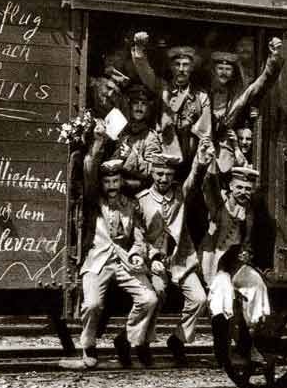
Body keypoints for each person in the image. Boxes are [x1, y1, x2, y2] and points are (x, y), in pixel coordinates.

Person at [78, 121, 158, 369]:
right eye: (107, 182)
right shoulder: (94, 201)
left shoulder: (130, 204)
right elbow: (89, 170)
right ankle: (88, 345)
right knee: (92, 304)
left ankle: (130, 339)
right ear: (102, 184)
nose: (111, 186)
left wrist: (137, 254)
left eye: (115, 181)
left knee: (149, 299)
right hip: (98, 260)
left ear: (120, 181)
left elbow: (139, 236)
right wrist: (99, 142)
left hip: (124, 260)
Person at [136, 139, 214, 366]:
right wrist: (151, 258)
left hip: (181, 260)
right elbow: (139, 235)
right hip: (155, 262)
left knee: (199, 299)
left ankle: (178, 340)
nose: (163, 179)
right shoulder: (141, 201)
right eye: (159, 174)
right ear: (152, 172)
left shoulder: (181, 194)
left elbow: (194, 179)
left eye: (168, 175)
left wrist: (200, 159)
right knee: (157, 293)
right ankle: (143, 342)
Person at [201, 166, 270, 370]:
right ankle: (221, 354)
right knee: (222, 298)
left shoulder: (250, 209)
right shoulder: (218, 204)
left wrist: (247, 255)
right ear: (230, 187)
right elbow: (208, 186)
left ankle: (249, 344)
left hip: (237, 264)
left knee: (257, 287)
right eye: (239, 187)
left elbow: (248, 241)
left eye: (248, 188)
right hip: (216, 264)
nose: (243, 192)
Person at [131, 31, 212, 172]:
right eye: (177, 65)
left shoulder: (201, 96)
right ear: (171, 67)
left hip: (190, 156)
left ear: (192, 68)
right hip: (164, 155)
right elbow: (145, 72)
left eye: (186, 65)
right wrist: (139, 49)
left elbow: (205, 132)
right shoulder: (162, 87)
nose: (181, 69)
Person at [112, 84, 163, 195]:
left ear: (148, 108)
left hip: (139, 191)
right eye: (136, 103)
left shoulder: (151, 137)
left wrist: (131, 156)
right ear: (130, 106)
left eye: (143, 104)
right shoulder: (122, 132)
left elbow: (152, 171)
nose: (139, 107)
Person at [224, 37, 284, 130]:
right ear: (235, 49)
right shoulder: (230, 71)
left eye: (248, 45)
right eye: (241, 45)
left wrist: (274, 56)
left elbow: (265, 78)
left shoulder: (257, 69)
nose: (245, 48)